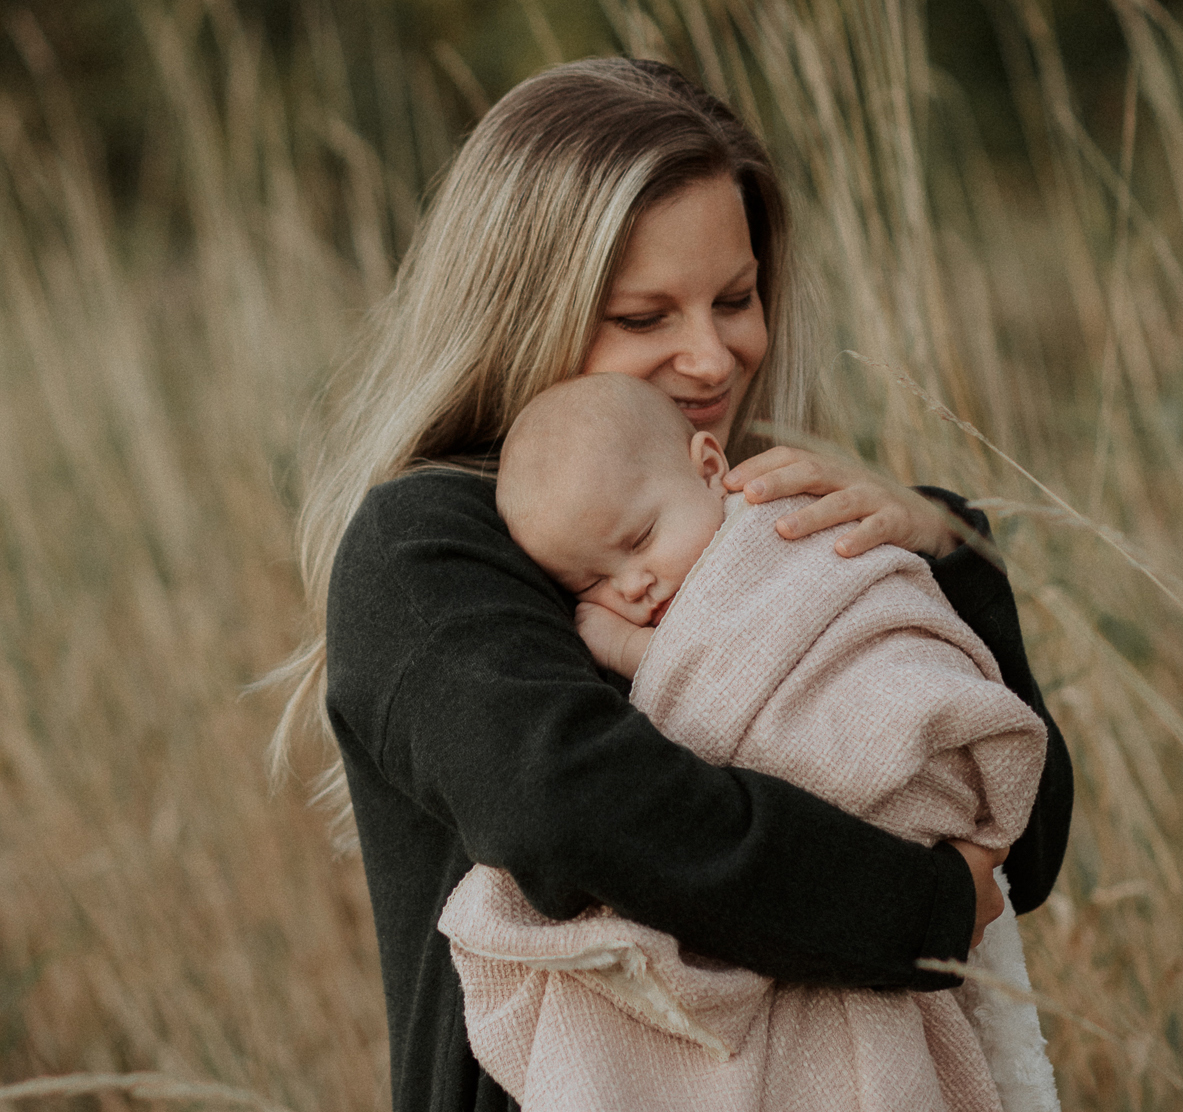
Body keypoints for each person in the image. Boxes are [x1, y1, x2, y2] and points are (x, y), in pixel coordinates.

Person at [269, 57, 1072, 1112]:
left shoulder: (770, 525)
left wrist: (946, 546)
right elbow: (575, 809)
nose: (712, 355)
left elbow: (1018, 828)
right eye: (645, 317)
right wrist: (922, 912)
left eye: (735, 297)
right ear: (524, 312)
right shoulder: (425, 547)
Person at [439, 371, 1060, 1112]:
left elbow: (806, 659)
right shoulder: (439, 553)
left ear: (708, 470)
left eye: (638, 541)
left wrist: (643, 659)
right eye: (590, 581)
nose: (633, 585)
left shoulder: (787, 537)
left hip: (903, 765)